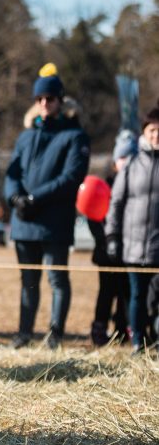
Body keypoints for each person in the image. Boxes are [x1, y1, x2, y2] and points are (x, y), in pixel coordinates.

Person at [5, 64, 90, 350]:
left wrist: (35, 198)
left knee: (56, 279)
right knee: (28, 281)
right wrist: (14, 197)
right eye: (39, 99)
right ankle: (24, 333)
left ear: (60, 100)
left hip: (55, 221)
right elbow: (12, 172)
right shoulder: (26, 135)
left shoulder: (74, 135)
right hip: (24, 221)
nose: (44, 103)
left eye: (50, 98)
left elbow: (70, 178)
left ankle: (55, 335)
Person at [105, 101, 159, 354]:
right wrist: (113, 237)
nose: (156, 135)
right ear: (144, 134)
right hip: (134, 246)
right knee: (135, 297)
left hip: (158, 248)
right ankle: (138, 340)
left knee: (155, 300)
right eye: (152, 131)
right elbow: (115, 203)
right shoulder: (131, 168)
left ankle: (155, 338)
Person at [89, 129, 136, 346]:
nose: (125, 162)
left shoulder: (138, 186)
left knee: (127, 293)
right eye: (121, 158)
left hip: (131, 252)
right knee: (106, 293)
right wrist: (105, 240)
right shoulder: (104, 185)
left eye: (129, 157)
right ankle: (99, 329)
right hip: (106, 253)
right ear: (115, 162)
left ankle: (123, 329)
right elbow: (93, 216)